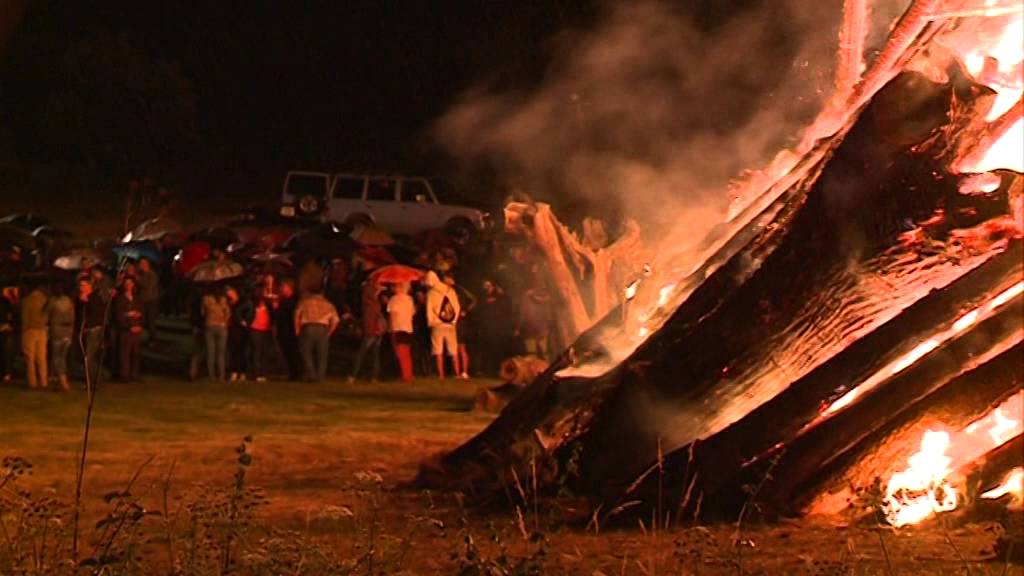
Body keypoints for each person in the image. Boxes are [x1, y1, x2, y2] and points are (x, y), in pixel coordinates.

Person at [294, 290, 339, 382]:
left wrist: (297, 329)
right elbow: (336, 320)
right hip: (323, 328)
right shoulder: (328, 304)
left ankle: (311, 374)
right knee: (322, 354)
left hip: (308, 327)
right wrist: (330, 331)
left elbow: (297, 315)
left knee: (306, 352)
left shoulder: (305, 302)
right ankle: (321, 376)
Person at [424, 270, 461, 379]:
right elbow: (457, 307)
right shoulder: (450, 290)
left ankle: (441, 375)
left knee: (438, 350)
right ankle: (457, 374)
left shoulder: (431, 293)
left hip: (437, 325)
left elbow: (428, 310)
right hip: (450, 325)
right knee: (453, 350)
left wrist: (431, 322)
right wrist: (453, 321)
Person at [348, 280, 386, 383]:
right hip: (375, 330)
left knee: (366, 353)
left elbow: (369, 318)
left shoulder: (370, 303)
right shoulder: (373, 303)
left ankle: (355, 375)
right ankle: (370, 376)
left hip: (373, 331)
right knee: (371, 353)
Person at [113, 276, 144, 382]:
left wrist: (139, 324)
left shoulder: (137, 298)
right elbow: (118, 315)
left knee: (135, 353)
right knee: (124, 353)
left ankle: (135, 374)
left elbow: (141, 312)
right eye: (126, 283)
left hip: (136, 328)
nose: (128, 285)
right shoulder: (120, 298)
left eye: (130, 283)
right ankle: (124, 375)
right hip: (125, 330)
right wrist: (128, 324)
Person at [78, 277, 107, 385]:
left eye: (84, 285)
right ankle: (96, 380)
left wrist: (87, 301)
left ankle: (93, 382)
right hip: (86, 330)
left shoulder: (95, 297)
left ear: (89, 286)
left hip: (95, 330)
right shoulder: (81, 299)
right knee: (89, 358)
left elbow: (98, 312)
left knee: (89, 358)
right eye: (80, 285)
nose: (81, 288)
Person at [242, 288, 275, 382]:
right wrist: (244, 321)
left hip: (266, 330)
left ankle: (263, 373)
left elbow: (272, 315)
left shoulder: (268, 305)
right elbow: (239, 311)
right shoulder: (250, 303)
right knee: (257, 351)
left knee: (264, 352)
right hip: (255, 330)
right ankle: (256, 374)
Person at [46, 283, 75, 391]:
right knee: (64, 355)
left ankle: (63, 381)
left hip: (57, 331)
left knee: (58, 357)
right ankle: (59, 378)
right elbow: (73, 316)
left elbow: (46, 314)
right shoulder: (69, 301)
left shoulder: (53, 301)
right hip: (68, 331)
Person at [20, 283, 48, 389]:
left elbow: (25, 318)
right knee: (42, 358)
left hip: (30, 331)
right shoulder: (45, 300)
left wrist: (23, 332)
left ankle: (32, 382)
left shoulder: (27, 301)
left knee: (30, 358)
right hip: (42, 330)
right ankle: (44, 381)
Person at [386, 282, 416, 382]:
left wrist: (390, 327)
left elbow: (392, 315)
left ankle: (405, 376)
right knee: (407, 353)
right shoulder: (410, 299)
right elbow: (412, 313)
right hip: (408, 328)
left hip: (398, 327)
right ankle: (408, 374)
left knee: (400, 353)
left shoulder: (394, 299)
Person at [202, 286, 231, 381]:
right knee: (221, 353)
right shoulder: (224, 299)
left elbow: (202, 312)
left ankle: (211, 376)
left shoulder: (206, 299)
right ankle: (221, 376)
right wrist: (225, 322)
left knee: (211, 352)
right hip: (221, 326)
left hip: (210, 325)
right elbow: (228, 313)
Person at [275, 279, 302, 381]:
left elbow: (289, 315)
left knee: (293, 352)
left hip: (290, 330)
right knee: (287, 353)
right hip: (283, 330)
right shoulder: (283, 301)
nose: (281, 289)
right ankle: (292, 373)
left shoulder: (293, 301)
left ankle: (297, 373)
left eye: (283, 287)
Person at [517, 284, 552, 360]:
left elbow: (548, 315)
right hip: (530, 329)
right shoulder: (525, 299)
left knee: (544, 352)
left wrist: (547, 327)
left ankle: (548, 366)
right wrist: (518, 328)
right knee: (532, 353)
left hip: (541, 329)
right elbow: (522, 314)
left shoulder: (545, 299)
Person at [225, 286, 248, 382]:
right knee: (233, 351)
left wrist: (244, 321)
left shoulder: (243, 302)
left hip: (241, 329)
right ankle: (234, 371)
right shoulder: (227, 303)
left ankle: (242, 372)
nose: (228, 293)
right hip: (231, 329)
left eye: (229, 291)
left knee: (241, 351)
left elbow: (247, 313)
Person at [136, 258, 161, 343]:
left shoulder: (152, 274)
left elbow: (148, 286)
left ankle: (153, 339)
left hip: (151, 300)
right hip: (142, 300)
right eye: (140, 264)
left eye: (143, 264)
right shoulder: (141, 274)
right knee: (142, 319)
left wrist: (138, 279)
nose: (141, 266)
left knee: (151, 320)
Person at [0, 286, 18, 383]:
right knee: (5, 352)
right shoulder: (6, 301)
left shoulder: (5, 301)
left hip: (4, 327)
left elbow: (11, 314)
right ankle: (6, 373)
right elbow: (12, 314)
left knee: (5, 352)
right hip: (5, 327)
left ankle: (6, 373)